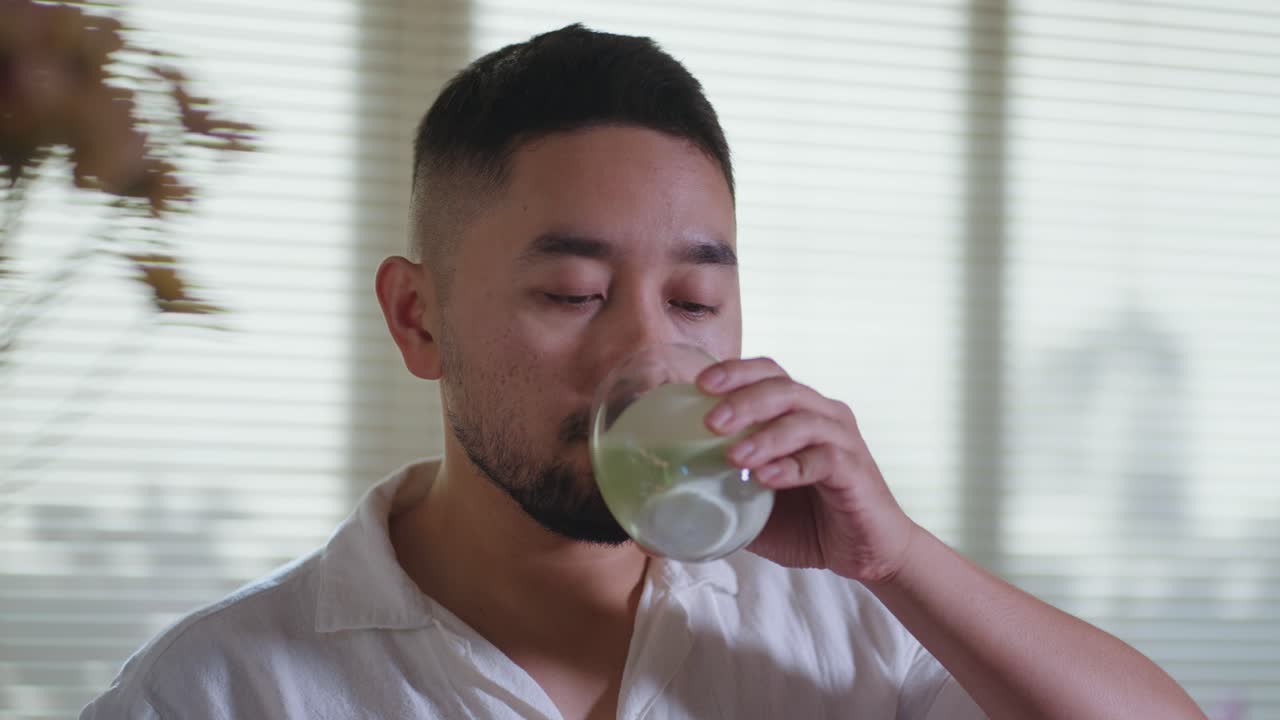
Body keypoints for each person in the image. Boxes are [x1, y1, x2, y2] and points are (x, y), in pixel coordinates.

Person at [82, 24, 1206, 720]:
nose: (644, 353)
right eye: (573, 295)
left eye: (694, 301)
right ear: (417, 317)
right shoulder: (219, 692)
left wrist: (896, 559)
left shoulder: (841, 630)